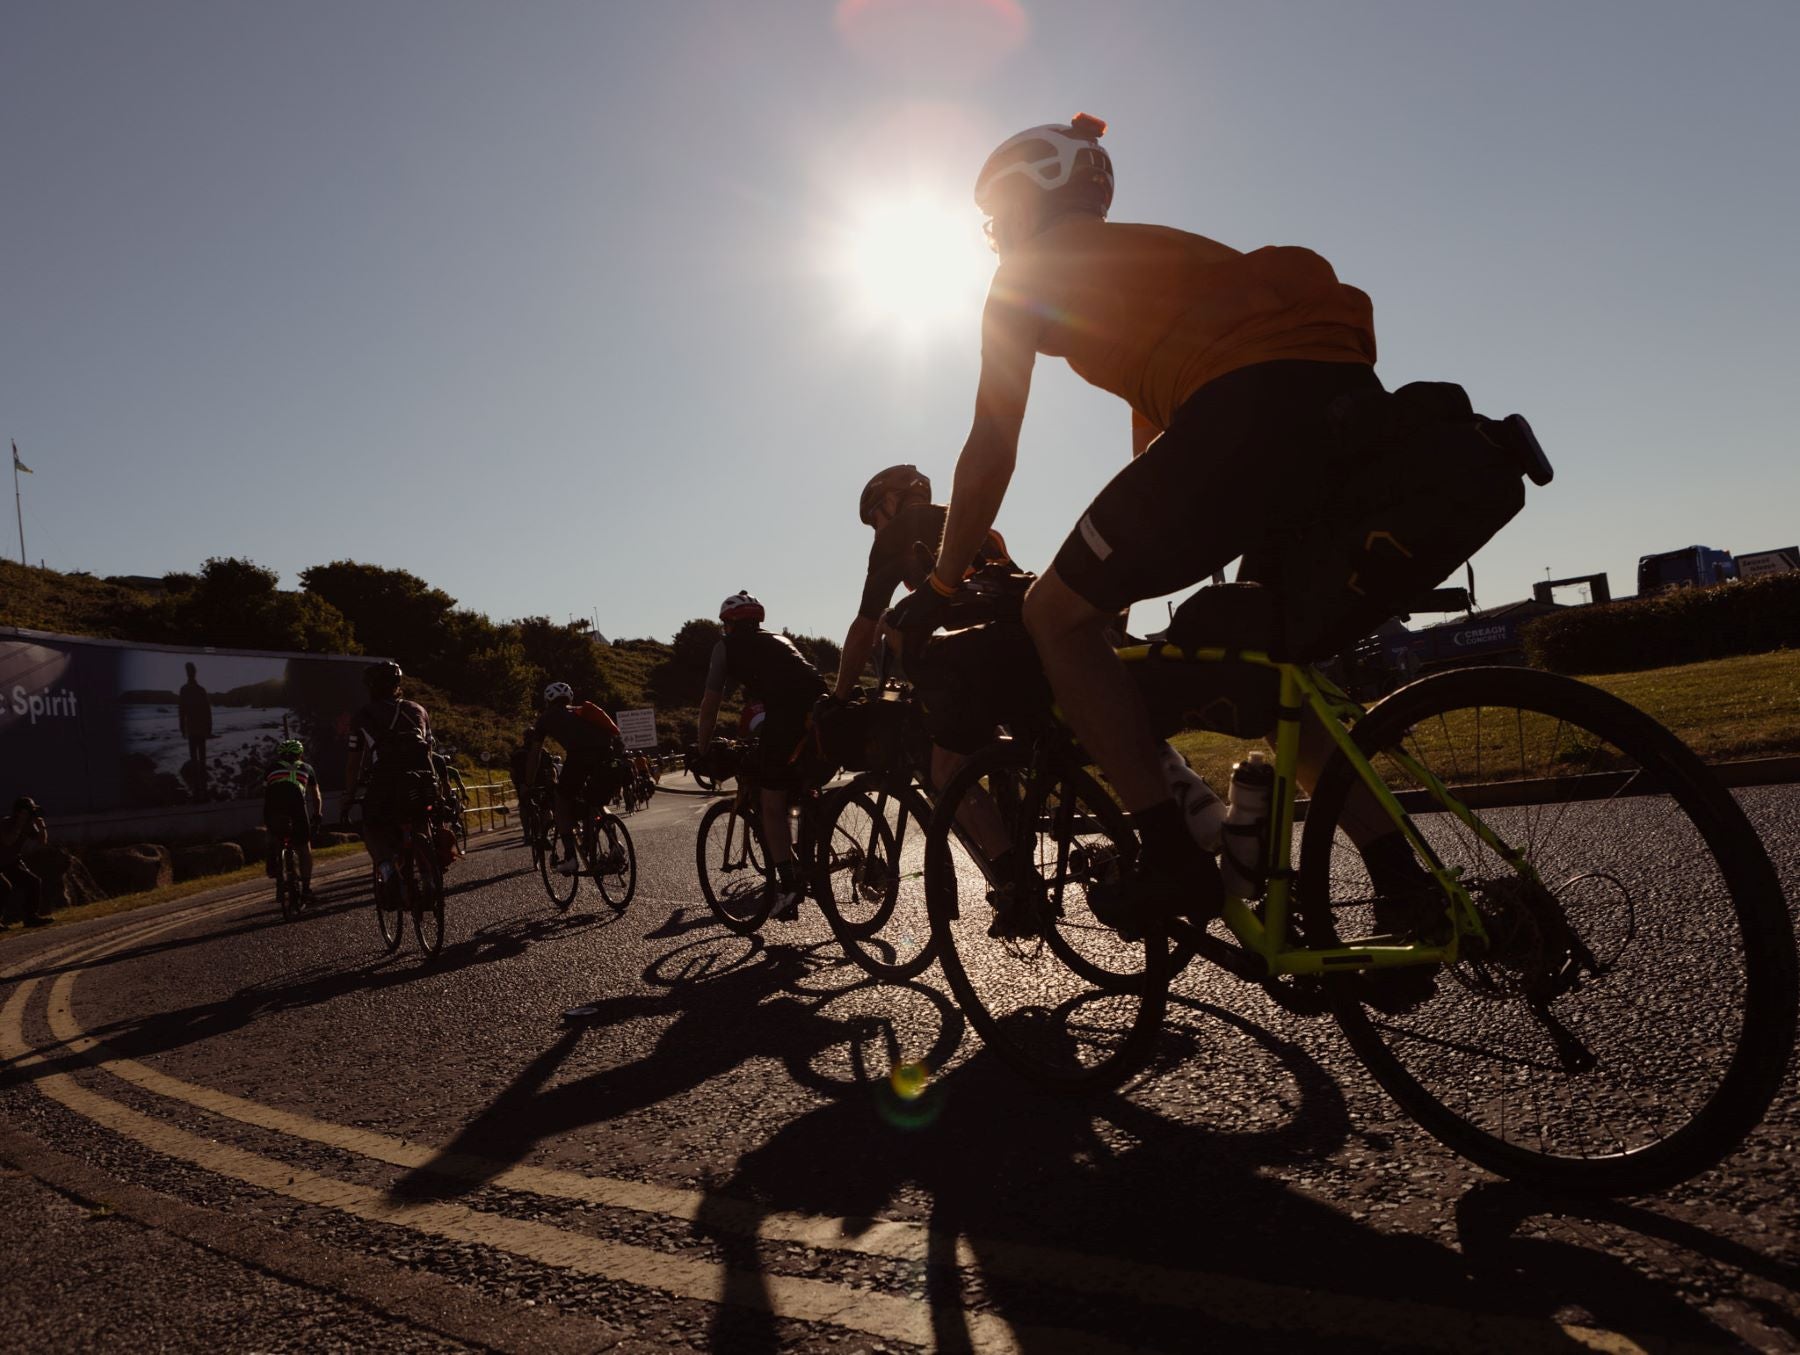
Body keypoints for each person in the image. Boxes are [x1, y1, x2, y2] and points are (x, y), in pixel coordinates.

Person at [891, 113, 1429, 927]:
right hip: (1341, 400)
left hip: (1245, 405)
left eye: (995, 213)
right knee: (1265, 662)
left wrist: (941, 580)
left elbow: (991, 446)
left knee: (1050, 615)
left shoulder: (1027, 274)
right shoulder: (1152, 254)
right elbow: (1162, 434)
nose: (993, 234)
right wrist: (1119, 580)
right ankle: (1405, 884)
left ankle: (1170, 857)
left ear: (1031, 193)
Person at [836, 464, 1043, 933]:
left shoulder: (896, 537)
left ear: (891, 502)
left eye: (874, 517)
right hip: (1023, 644)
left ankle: (1016, 887)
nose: (876, 528)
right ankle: (1026, 854)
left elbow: (865, 627)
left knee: (947, 771)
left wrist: (839, 696)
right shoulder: (973, 522)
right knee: (1003, 754)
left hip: (971, 659)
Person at [695, 592, 829, 921]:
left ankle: (789, 885)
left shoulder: (725, 647)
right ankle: (813, 847)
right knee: (801, 786)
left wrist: (702, 748)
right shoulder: (780, 639)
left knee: (771, 805)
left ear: (729, 624)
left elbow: (711, 703)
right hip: (822, 710)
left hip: (785, 716)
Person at [343, 661, 438, 898]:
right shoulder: (418, 710)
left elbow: (354, 763)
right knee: (420, 819)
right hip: (421, 778)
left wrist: (349, 796)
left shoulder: (363, 716)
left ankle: (387, 871)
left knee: (372, 827)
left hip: (385, 779)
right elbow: (429, 751)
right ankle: (429, 879)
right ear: (398, 684)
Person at [523, 683, 628, 877]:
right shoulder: (580, 712)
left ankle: (570, 857)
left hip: (580, 756)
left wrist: (528, 784)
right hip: (607, 754)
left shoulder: (545, 718)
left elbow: (535, 753)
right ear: (569, 699)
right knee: (596, 799)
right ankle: (616, 845)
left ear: (547, 701)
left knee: (561, 800)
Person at [263, 739, 323, 905]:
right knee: (304, 847)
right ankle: (306, 890)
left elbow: (265, 790)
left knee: (274, 831)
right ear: (300, 754)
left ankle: (271, 854)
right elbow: (316, 795)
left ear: (281, 755)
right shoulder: (307, 768)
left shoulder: (271, 768)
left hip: (274, 804)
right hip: (296, 804)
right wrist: (317, 814)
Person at [0, 797, 52, 928]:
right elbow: (8, 841)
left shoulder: (28, 825)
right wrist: (19, 824)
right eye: (30, 812)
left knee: (33, 882)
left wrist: (42, 828)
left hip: (10, 862)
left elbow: (41, 842)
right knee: (4, 887)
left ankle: (30, 918)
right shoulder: (6, 823)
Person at [178, 661, 212, 794]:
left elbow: (182, 711)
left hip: (193, 729)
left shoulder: (185, 690)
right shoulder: (200, 690)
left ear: (188, 673)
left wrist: (182, 728)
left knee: (195, 758)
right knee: (201, 758)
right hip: (199, 728)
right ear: (194, 673)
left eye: (189, 671)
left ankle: (198, 788)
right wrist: (209, 728)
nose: (189, 673)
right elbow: (207, 711)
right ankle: (202, 787)